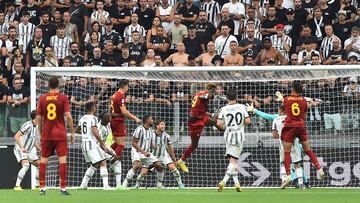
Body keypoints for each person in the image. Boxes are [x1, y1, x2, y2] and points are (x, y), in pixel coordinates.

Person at [246, 103, 309, 188]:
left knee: (284, 163)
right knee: (296, 163)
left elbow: (267, 117)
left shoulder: (276, 118)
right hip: (295, 143)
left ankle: (288, 180)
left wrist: (254, 110)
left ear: (281, 110)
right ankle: (303, 182)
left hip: (283, 143)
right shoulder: (294, 118)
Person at [276, 81, 325, 189]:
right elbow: (305, 115)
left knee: (287, 151)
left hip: (290, 127)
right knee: (308, 149)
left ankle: (288, 175)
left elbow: (284, 102)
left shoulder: (287, 99)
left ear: (293, 89)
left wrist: (281, 98)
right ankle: (319, 169)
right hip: (301, 126)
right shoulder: (303, 100)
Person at [36, 76, 75, 195]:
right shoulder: (63, 98)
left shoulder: (42, 98)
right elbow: (68, 115)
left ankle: (42, 187)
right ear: (59, 85)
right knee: (62, 160)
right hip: (60, 133)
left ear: (48, 85)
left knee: (43, 160)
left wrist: (41, 132)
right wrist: (72, 132)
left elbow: (39, 118)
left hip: (47, 133)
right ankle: (62, 188)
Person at [177, 83, 224, 173]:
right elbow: (207, 96)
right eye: (214, 91)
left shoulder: (201, 95)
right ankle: (181, 161)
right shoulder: (204, 94)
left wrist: (213, 114)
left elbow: (202, 110)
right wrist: (217, 96)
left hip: (201, 117)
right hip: (195, 121)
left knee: (218, 123)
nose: (213, 94)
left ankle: (228, 132)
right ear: (211, 90)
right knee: (194, 145)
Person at [217, 88, 250, 192]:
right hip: (239, 136)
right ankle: (224, 181)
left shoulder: (223, 109)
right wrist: (240, 124)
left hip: (228, 136)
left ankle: (237, 184)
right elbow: (248, 121)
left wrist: (226, 127)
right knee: (234, 161)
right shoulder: (241, 107)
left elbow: (218, 124)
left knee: (232, 161)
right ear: (236, 97)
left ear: (227, 98)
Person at [77, 102, 114, 190]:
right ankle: (106, 186)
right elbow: (95, 132)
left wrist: (86, 134)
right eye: (95, 106)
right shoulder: (94, 118)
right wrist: (102, 144)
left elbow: (77, 130)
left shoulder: (82, 118)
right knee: (103, 162)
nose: (96, 107)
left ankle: (83, 185)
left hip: (84, 145)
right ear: (93, 108)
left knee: (95, 164)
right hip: (92, 145)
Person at [110, 79, 141, 159]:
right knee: (121, 145)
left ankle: (105, 155)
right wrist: (135, 118)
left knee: (116, 143)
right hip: (118, 121)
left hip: (113, 121)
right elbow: (124, 111)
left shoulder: (114, 95)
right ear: (126, 86)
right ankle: (112, 161)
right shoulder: (121, 96)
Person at [132, 115, 164, 189]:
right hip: (139, 152)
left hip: (148, 154)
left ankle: (159, 186)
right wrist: (143, 152)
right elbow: (134, 143)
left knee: (159, 166)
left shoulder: (150, 130)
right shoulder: (139, 129)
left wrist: (152, 145)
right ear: (147, 120)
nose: (153, 120)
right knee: (137, 167)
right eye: (151, 119)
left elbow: (147, 141)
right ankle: (134, 185)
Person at [151, 119, 185, 189]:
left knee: (174, 169)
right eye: (162, 124)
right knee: (143, 172)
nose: (164, 126)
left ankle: (180, 184)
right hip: (152, 156)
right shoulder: (150, 135)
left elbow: (170, 148)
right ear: (157, 126)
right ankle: (136, 185)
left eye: (164, 124)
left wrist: (174, 160)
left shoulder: (166, 136)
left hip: (163, 155)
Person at [13, 110, 40, 190]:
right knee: (26, 165)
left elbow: (33, 141)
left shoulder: (37, 126)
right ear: (36, 116)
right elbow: (16, 136)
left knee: (40, 165)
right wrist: (21, 147)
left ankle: (37, 186)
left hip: (28, 151)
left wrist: (40, 149)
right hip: (20, 149)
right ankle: (17, 186)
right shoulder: (28, 125)